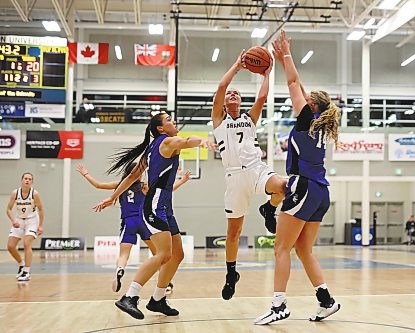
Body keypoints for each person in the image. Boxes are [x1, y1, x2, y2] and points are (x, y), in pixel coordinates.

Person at [254, 30, 341, 325]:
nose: (300, 97)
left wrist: (286, 55)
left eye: (306, 98)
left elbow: (293, 82)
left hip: (303, 187)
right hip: (320, 193)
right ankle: (326, 300)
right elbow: (299, 86)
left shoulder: (306, 119)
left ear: (311, 105)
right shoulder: (318, 125)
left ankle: (279, 305)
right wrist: (283, 59)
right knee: (304, 249)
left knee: (281, 248)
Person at [94, 112, 215, 320]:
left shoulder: (152, 148)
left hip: (165, 206)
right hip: (155, 205)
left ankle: (158, 299)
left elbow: (132, 176)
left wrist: (113, 196)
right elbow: (186, 140)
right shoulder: (167, 142)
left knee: (177, 255)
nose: (173, 121)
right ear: (160, 128)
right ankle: (129, 297)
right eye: (168, 120)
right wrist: (202, 140)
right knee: (163, 255)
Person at [212, 50, 287, 300]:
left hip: (257, 169)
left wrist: (267, 74)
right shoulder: (218, 121)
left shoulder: (250, 118)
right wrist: (237, 64)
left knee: (284, 187)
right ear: (224, 103)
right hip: (234, 178)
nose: (232, 94)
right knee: (233, 233)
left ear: (241, 102)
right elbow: (222, 85)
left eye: (237, 93)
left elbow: (263, 97)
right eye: (230, 94)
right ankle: (231, 273)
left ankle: (269, 209)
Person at [77, 163, 191, 292]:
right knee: (159, 254)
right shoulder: (144, 186)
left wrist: (85, 174)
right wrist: (182, 181)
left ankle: (120, 269)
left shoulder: (120, 184)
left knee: (124, 254)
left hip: (129, 222)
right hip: (144, 222)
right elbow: (166, 192)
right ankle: (166, 283)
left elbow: (98, 185)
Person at [6, 172, 44, 282]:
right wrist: (13, 220)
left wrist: (40, 225)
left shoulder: (35, 194)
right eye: (25, 178)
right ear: (21, 180)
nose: (27, 180)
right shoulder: (15, 193)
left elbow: (41, 210)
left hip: (32, 220)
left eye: (29, 179)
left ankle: (27, 272)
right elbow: (8, 209)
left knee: (27, 243)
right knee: (10, 246)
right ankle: (21, 265)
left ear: (32, 182)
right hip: (19, 220)